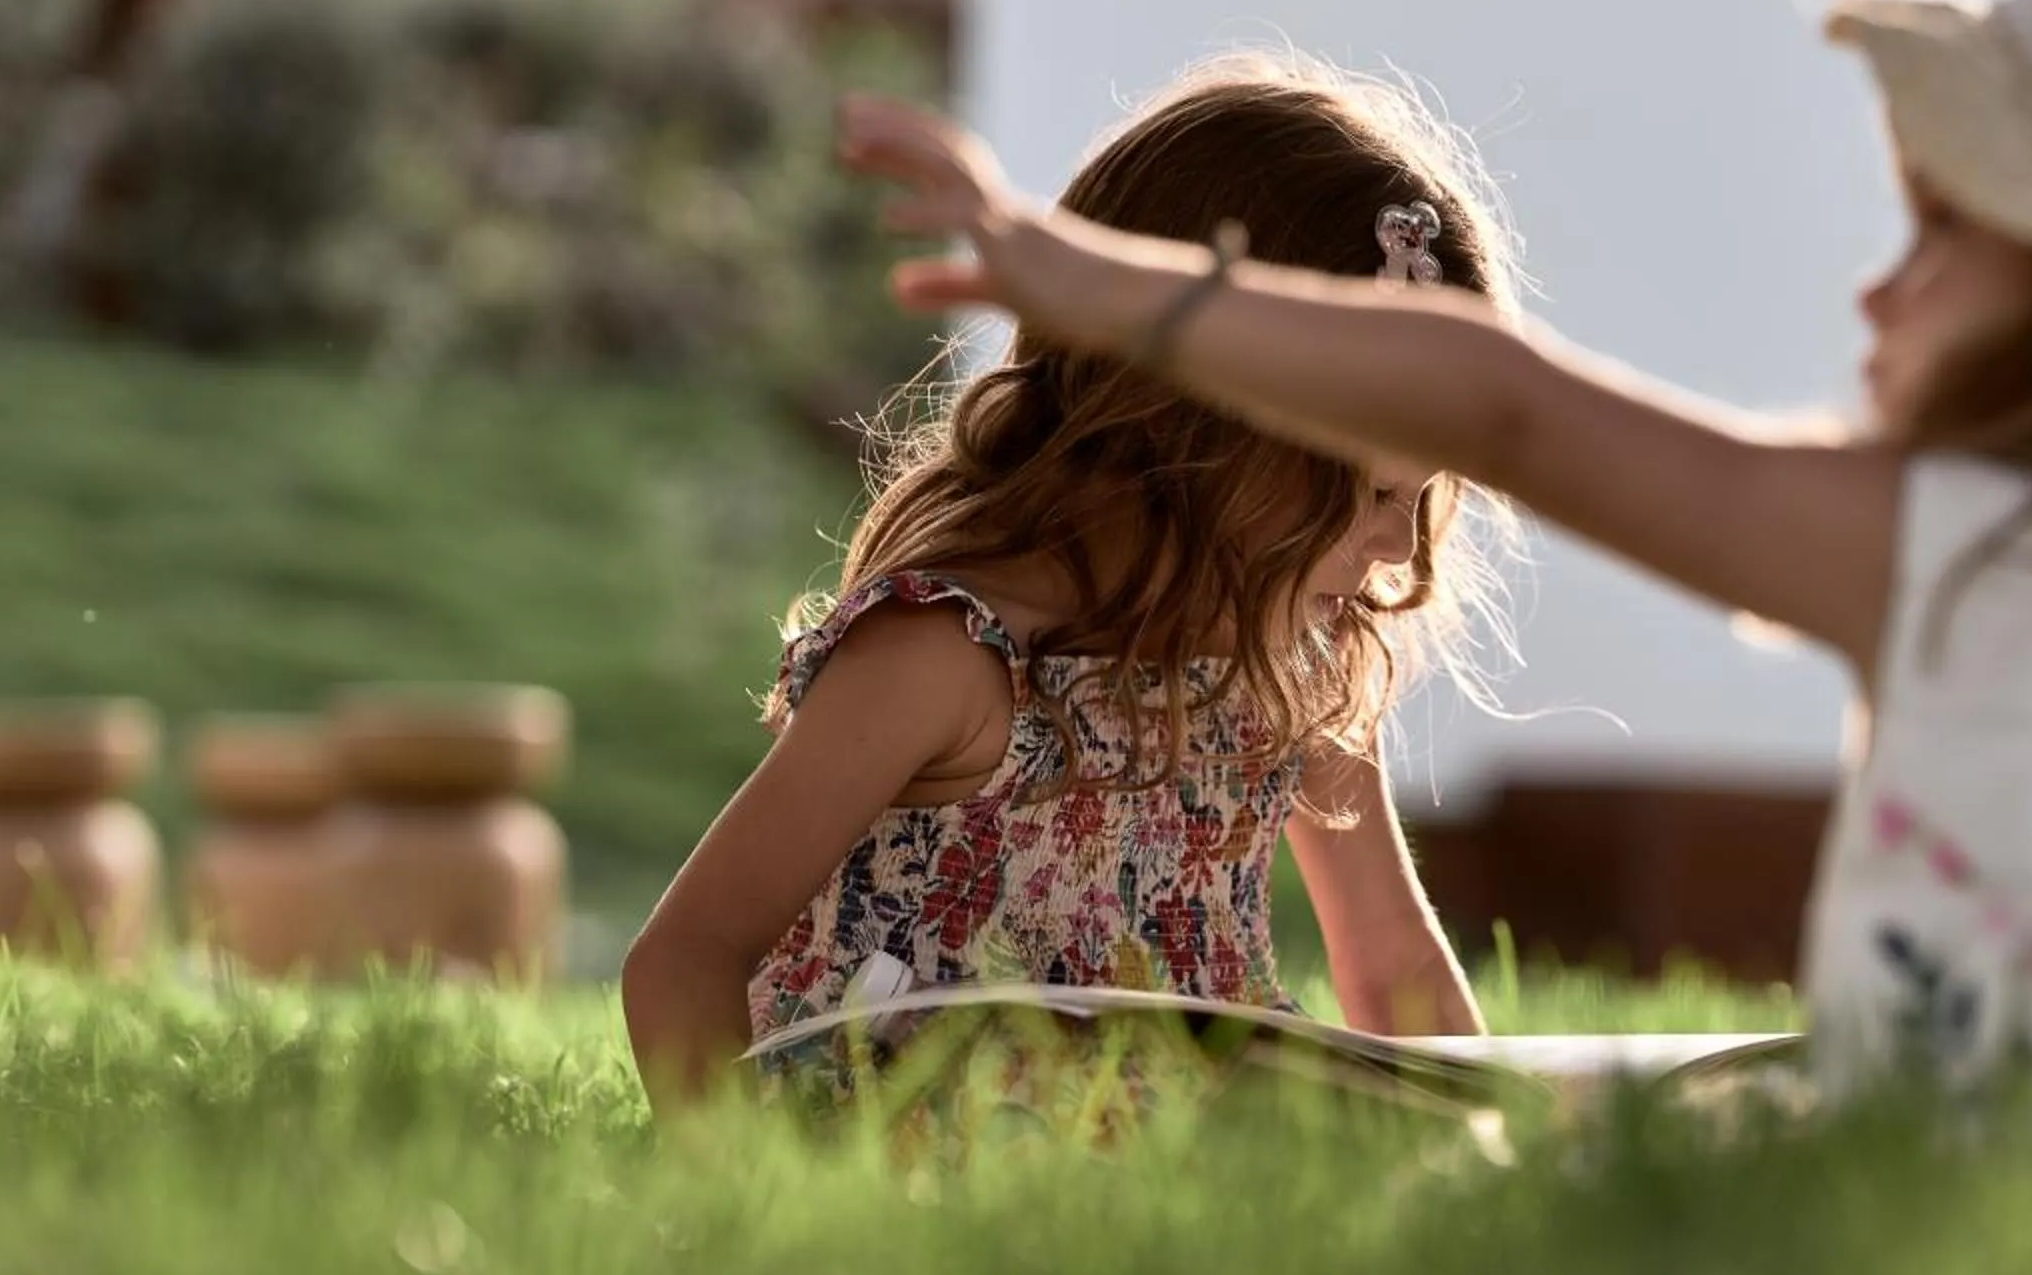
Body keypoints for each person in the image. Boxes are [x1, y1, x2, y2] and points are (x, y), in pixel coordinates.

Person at [842, 0, 2032, 1102]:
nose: (1878, 296)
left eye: (1942, 236)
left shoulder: (1971, 565)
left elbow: (1503, 402)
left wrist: (1091, 280)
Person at [622, 54, 1509, 1109]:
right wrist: (749, 1213)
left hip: (1183, 1200)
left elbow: (1398, 972)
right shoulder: (945, 659)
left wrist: (1511, 1169)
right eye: (1369, 493)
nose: (1402, 550)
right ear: (1202, 433)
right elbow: (684, 960)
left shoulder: (1290, 669)